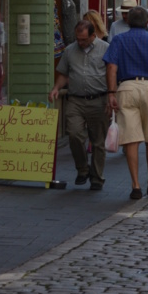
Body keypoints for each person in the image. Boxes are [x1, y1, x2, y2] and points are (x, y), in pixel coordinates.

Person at [103, 6, 148, 200]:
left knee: (131, 139)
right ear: (147, 22)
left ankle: (135, 185)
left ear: (128, 22)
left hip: (126, 87)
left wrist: (111, 93)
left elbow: (111, 67)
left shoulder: (118, 40)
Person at [49, 20, 109, 190]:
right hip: (75, 100)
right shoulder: (70, 50)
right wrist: (55, 88)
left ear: (93, 36)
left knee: (98, 142)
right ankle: (82, 168)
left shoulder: (105, 48)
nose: (80, 42)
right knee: (74, 134)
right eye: (78, 39)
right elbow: (63, 73)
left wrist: (113, 95)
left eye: (84, 39)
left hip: (99, 99)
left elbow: (112, 73)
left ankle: (97, 178)